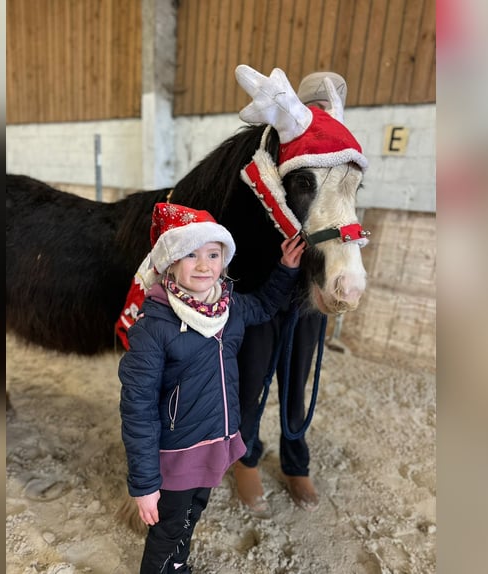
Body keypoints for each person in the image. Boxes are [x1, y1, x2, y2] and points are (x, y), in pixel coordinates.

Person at [119, 202, 305, 574]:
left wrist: (286, 270)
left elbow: (266, 305)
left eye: (213, 254)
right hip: (176, 450)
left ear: (223, 259)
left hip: (214, 440)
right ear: (171, 262)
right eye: (190, 254)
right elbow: (137, 408)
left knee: (193, 512)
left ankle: (178, 566)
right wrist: (144, 484)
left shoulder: (229, 306)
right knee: (168, 527)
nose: (204, 265)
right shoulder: (154, 326)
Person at [233, 71, 349, 516]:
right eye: (317, 101)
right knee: (251, 383)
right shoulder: (269, 149)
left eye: (331, 101)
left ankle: (295, 461)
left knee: (297, 385)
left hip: (308, 294)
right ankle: (246, 459)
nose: (323, 107)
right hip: (265, 286)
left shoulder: (337, 155)